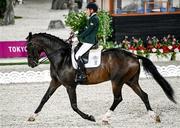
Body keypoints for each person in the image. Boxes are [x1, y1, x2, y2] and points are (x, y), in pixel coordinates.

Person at [74, 2, 99, 83]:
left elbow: (88, 31)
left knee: (77, 55)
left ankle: (82, 74)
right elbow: (86, 29)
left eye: (87, 10)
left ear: (91, 10)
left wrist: (78, 37)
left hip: (89, 41)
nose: (86, 11)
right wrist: (78, 32)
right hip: (87, 40)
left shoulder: (94, 19)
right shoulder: (91, 18)